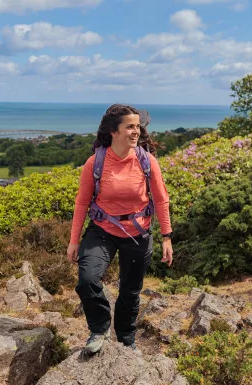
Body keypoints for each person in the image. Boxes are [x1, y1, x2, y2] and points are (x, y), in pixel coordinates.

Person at [67, 104, 173, 355]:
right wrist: (74, 241)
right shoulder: (96, 162)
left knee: (130, 290)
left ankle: (126, 339)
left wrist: (166, 237)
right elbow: (82, 202)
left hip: (138, 233)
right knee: (87, 280)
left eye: (138, 126)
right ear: (114, 131)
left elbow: (161, 199)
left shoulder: (147, 162)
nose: (136, 131)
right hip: (102, 230)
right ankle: (99, 329)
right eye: (130, 127)